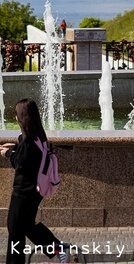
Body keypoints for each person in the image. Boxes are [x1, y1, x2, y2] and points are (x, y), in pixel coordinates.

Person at [2, 99, 69, 264]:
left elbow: (20, 163)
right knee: (26, 226)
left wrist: (8, 153)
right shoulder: (38, 135)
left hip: (24, 192)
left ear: (22, 118)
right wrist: (16, 147)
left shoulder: (28, 141)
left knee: (15, 229)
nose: (15, 118)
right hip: (35, 191)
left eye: (17, 115)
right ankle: (58, 248)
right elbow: (29, 157)